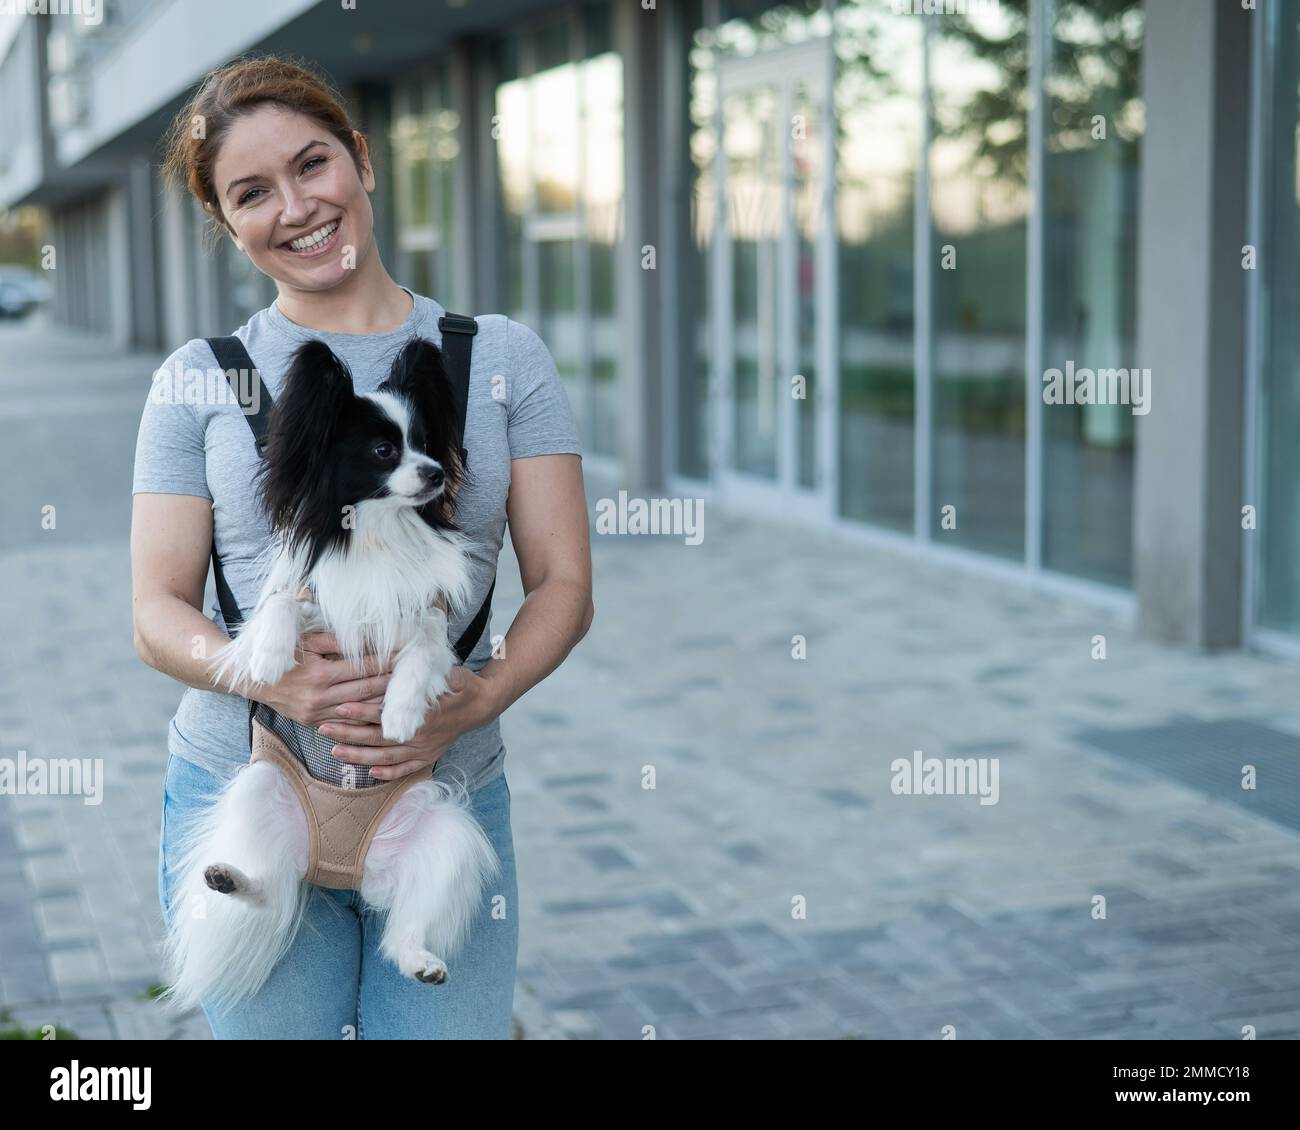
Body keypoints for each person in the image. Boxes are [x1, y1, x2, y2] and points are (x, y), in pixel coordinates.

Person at [130, 54, 594, 1039]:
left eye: (312, 165)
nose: (295, 206)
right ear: (227, 223)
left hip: (439, 787)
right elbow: (155, 610)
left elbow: (562, 583)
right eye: (252, 192)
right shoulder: (201, 378)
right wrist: (271, 681)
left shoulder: (498, 357)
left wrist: (480, 694)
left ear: (364, 162)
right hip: (248, 788)